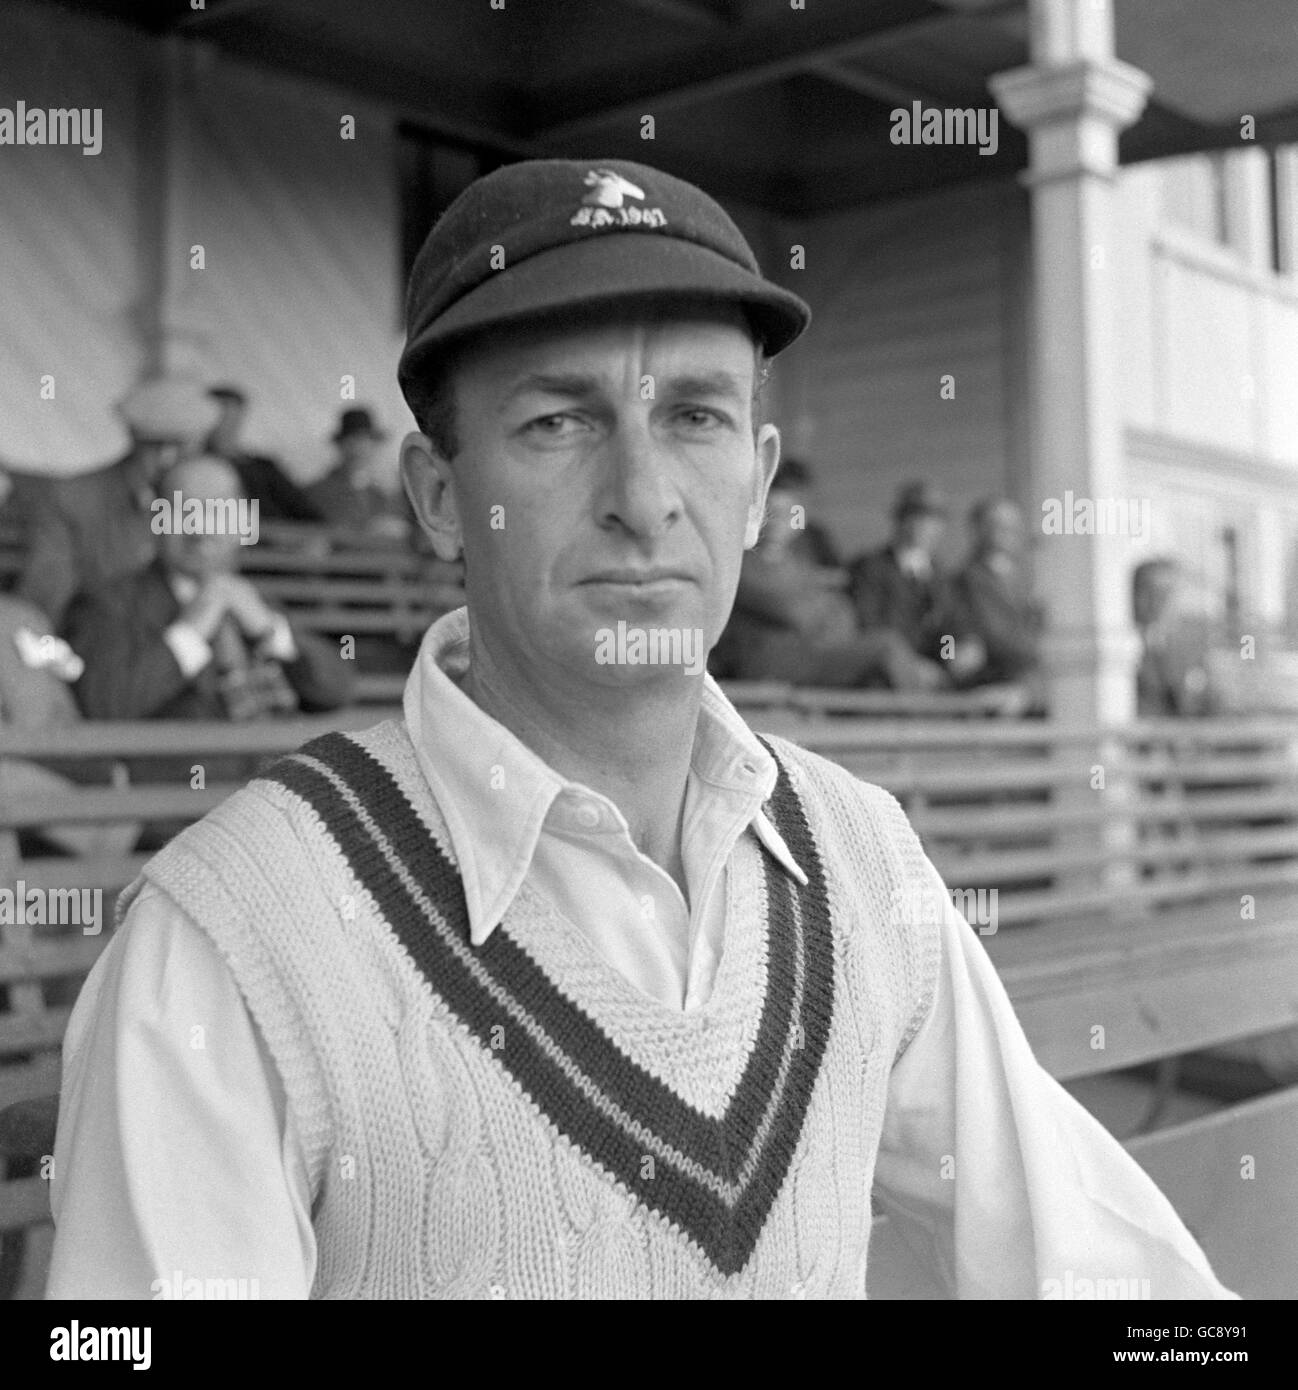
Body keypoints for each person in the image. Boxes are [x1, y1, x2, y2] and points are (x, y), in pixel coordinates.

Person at [48, 158, 1233, 1299]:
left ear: (760, 482)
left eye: (697, 417)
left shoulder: (862, 858)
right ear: (433, 495)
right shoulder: (227, 936)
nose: (644, 495)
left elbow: (1081, 1256)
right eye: (559, 422)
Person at [62, 455, 354, 722]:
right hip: (183, 777)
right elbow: (105, 706)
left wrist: (271, 631)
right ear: (155, 520)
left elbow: (334, 692)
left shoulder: (256, 599)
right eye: (182, 511)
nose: (200, 530)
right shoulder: (104, 601)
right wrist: (190, 633)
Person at [714, 459, 949, 689]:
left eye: (788, 514)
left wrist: (949, 654)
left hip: (818, 652)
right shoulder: (740, 561)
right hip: (772, 660)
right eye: (771, 512)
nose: (779, 522)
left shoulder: (798, 560)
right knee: (887, 648)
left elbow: (842, 611)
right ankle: (927, 719)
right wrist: (822, 607)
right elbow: (801, 611)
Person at [16, 377, 220, 627]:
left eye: (187, 449)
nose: (170, 460)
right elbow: (45, 601)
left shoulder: (200, 505)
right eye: (157, 447)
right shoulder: (74, 498)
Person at [848, 480, 983, 687]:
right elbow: (869, 626)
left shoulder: (941, 577)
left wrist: (956, 652)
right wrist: (909, 664)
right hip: (885, 674)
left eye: (934, 520)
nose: (926, 527)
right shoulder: (871, 569)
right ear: (900, 520)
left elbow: (951, 627)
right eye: (917, 517)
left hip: (937, 676)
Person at [953, 497, 1046, 710]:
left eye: (1012, 526)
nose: (1007, 532)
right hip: (994, 678)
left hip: (1029, 680)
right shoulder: (969, 581)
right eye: (997, 525)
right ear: (979, 530)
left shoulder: (1025, 581)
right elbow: (984, 635)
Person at [206, 384, 321, 523]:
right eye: (221, 415)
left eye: (231, 416)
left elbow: (307, 514)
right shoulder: (189, 466)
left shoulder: (263, 468)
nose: (224, 424)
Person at [302, 407, 413, 538]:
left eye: (365, 441)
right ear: (341, 444)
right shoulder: (317, 491)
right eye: (353, 441)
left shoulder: (382, 492)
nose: (359, 448)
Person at [1132, 557, 1219, 717]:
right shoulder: (1120, 644)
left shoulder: (1194, 643)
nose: (1157, 602)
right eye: (1150, 592)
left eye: (1167, 593)